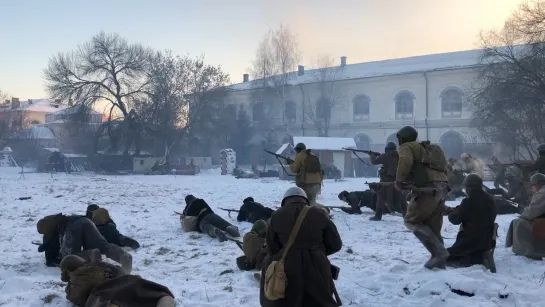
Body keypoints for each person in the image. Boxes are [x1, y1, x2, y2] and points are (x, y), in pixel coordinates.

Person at [260, 187, 342, 307]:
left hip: (286, 265)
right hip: (317, 264)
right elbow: (336, 244)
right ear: (305, 200)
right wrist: (317, 252)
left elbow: (272, 247)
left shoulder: (276, 215)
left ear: (285, 201)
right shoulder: (319, 213)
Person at [395, 126, 450, 270]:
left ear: (401, 138)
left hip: (427, 188)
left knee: (411, 220)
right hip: (442, 186)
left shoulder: (406, 147)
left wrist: (399, 181)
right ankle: (440, 262)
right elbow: (445, 167)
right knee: (433, 226)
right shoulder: (429, 149)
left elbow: (405, 161)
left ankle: (439, 253)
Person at [60, 252, 175, 307]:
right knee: (161, 295)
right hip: (129, 283)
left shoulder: (77, 280)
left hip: (106, 296)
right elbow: (121, 271)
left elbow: (77, 298)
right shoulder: (99, 264)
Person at [36, 213, 133, 272]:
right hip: (84, 220)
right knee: (103, 245)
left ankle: (91, 254)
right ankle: (123, 256)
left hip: (72, 226)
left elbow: (56, 247)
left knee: (69, 259)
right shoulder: (52, 220)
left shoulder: (47, 228)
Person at [443, 174, 498, 272]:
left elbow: (455, 220)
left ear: (470, 187)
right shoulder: (490, 198)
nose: (465, 191)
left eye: (466, 188)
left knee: (443, 256)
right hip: (487, 240)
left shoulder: (468, 202)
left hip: (472, 241)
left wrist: (451, 213)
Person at [506, 173, 545, 260]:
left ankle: (526, 251)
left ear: (538, 184)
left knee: (518, 222)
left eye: (532, 186)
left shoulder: (542, 193)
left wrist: (523, 215)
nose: (532, 189)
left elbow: (533, 210)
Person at [368, 142, 404, 221]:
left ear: (387, 149)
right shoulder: (399, 156)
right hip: (396, 180)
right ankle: (406, 214)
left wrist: (371, 155)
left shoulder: (386, 155)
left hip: (385, 181)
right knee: (399, 198)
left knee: (380, 198)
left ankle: (378, 216)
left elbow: (374, 162)